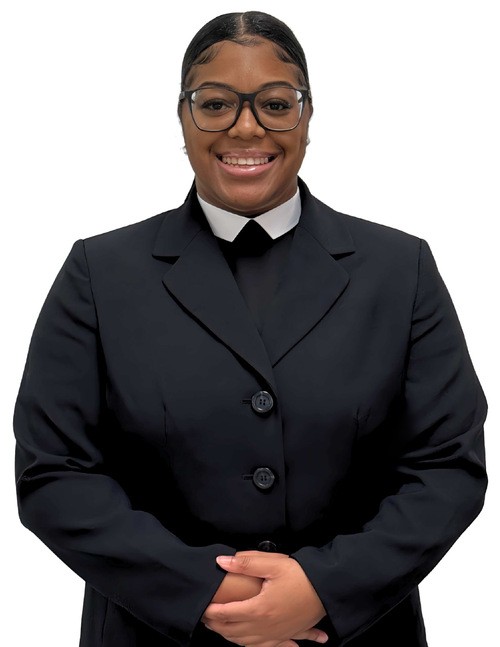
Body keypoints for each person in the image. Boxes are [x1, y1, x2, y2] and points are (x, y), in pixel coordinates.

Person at [13, 10, 487, 647]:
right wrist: (203, 589)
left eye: (275, 103)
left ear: (308, 117)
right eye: (215, 104)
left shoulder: (401, 270)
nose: (245, 126)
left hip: (356, 634)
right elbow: (54, 473)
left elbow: (447, 466)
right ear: (182, 117)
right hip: (152, 634)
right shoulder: (98, 273)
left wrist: (325, 588)